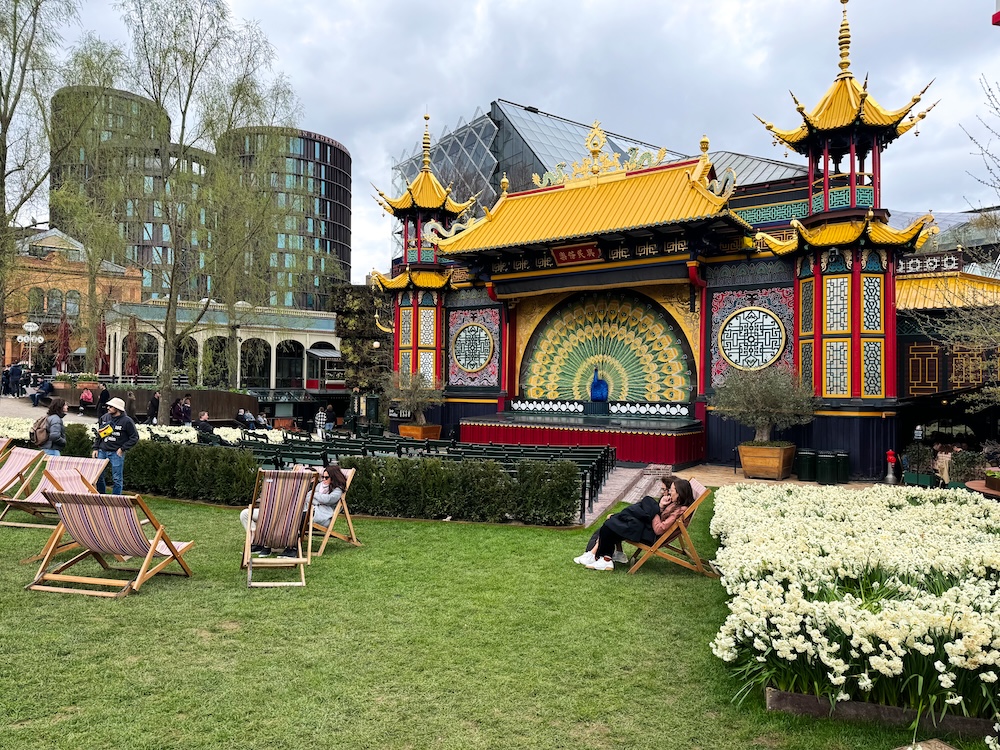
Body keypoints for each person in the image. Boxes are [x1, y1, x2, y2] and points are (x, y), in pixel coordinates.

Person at [575, 478, 695, 571]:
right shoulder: (676, 504)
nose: (669, 493)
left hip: (650, 535)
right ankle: (605, 558)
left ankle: (603, 558)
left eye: (672, 491)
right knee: (614, 522)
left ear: (679, 493)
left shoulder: (680, 510)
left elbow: (659, 529)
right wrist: (661, 507)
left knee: (614, 522)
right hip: (647, 529)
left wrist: (655, 512)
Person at [92, 397, 139, 495]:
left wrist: (122, 449)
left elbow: (134, 437)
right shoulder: (104, 418)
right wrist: (96, 448)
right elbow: (99, 434)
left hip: (116, 453)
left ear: (117, 409)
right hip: (102, 451)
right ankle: (102, 496)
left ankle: (115, 499)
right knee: (98, 476)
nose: (108, 407)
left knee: (117, 479)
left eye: (111, 406)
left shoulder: (127, 421)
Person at [311, 462, 349, 530]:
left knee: (300, 517)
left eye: (326, 478)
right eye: (322, 477)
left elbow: (328, 499)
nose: (323, 480)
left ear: (333, 478)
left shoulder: (338, 490)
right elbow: (308, 497)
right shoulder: (320, 485)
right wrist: (319, 501)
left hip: (323, 517)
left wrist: (315, 495)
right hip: (312, 512)